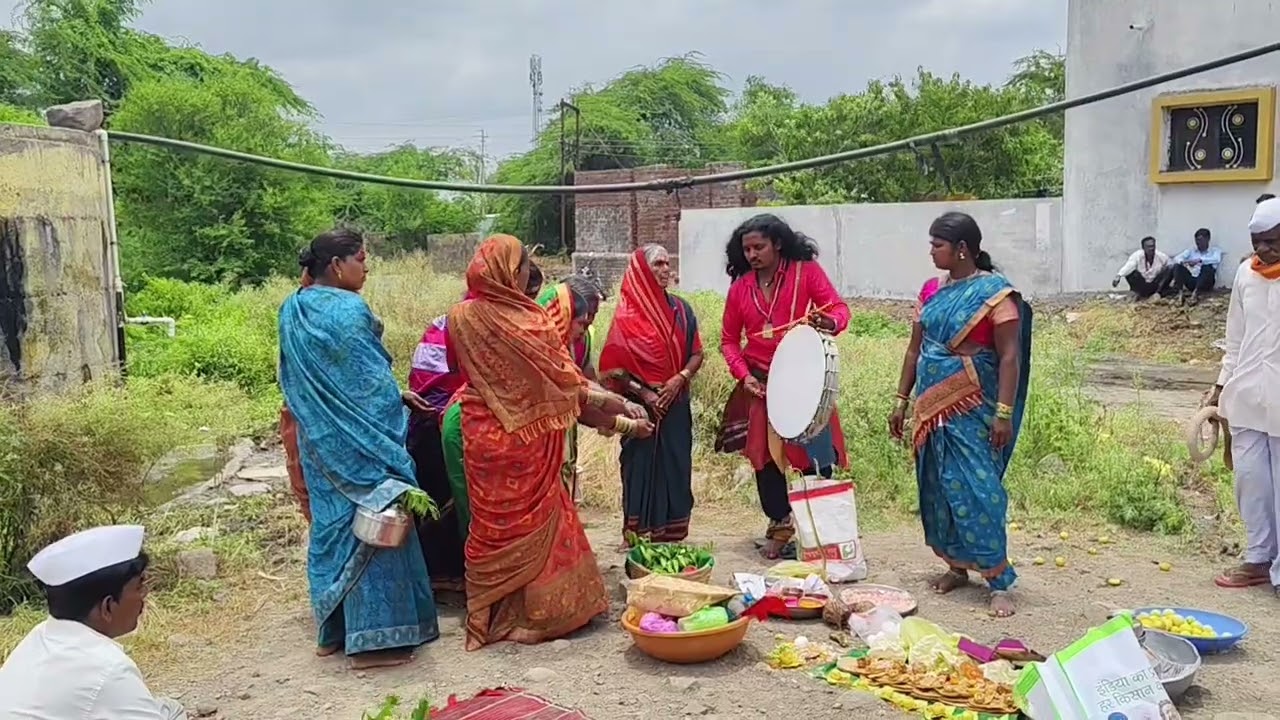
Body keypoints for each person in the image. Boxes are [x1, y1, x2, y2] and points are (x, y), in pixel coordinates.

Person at [446, 234, 650, 650]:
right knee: (539, 521)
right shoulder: (531, 321)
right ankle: (540, 617)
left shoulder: (460, 317)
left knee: (491, 526)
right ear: (513, 272)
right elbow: (563, 385)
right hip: (528, 442)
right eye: (524, 267)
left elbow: (457, 368)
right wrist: (616, 405)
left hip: (480, 431)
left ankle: (491, 615)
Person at [278, 227, 439, 669]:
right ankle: (378, 643)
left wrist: (394, 394)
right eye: (362, 260)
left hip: (321, 444)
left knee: (332, 528)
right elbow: (369, 387)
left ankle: (331, 634)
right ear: (337, 265)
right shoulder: (349, 309)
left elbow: (308, 382)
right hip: (363, 446)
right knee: (377, 520)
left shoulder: (292, 308)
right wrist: (394, 401)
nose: (367, 269)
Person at [888, 211, 1032, 618]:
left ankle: (998, 579)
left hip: (973, 408)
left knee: (979, 490)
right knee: (937, 487)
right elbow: (914, 350)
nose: (931, 251)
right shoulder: (931, 290)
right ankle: (956, 566)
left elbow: (1009, 357)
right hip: (930, 409)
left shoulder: (996, 294)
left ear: (962, 249)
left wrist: (1003, 413)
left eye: (938, 245)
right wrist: (900, 400)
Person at [715, 213, 851, 560]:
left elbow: (839, 308)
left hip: (804, 382)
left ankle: (821, 532)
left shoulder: (806, 272)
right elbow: (729, 341)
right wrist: (743, 375)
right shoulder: (741, 287)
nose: (752, 255)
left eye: (759, 247)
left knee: (814, 459)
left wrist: (830, 322)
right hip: (760, 385)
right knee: (765, 462)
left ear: (777, 243)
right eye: (747, 249)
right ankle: (779, 527)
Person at [0, 525, 187, 719]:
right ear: (107, 607)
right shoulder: (109, 669)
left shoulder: (40, 636)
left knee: (168, 708)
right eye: (139, 586)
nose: (145, 594)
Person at [599, 244, 704, 545]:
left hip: (676, 403)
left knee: (676, 466)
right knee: (638, 468)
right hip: (640, 409)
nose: (665, 270)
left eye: (667, 263)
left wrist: (679, 379)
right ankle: (637, 534)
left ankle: (670, 534)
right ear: (642, 270)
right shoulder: (626, 316)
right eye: (658, 264)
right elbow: (613, 369)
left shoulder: (681, 311)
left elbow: (697, 353)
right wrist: (644, 393)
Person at [1208, 197, 1280, 591]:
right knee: (1250, 480)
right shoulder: (1244, 275)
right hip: (1247, 395)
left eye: (1273, 241)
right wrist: (1220, 386)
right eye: (1257, 242)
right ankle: (1258, 558)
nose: (1264, 250)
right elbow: (1234, 338)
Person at [536, 274, 604, 503]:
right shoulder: (539, 343)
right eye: (585, 317)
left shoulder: (582, 337)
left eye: (593, 315)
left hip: (566, 428)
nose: (590, 323)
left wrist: (610, 410)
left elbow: (586, 375)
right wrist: (619, 415)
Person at [1169, 228, 1223, 305]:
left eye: (1200, 240)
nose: (1198, 243)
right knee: (1177, 266)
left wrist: (1199, 261)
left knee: (1207, 267)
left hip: (1206, 282)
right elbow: (1176, 258)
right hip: (1193, 280)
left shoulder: (1215, 251)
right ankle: (1180, 294)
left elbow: (1216, 260)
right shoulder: (1191, 251)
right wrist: (1184, 262)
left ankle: (1195, 294)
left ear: (1208, 239)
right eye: (1197, 240)